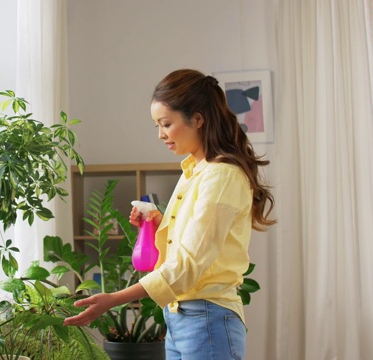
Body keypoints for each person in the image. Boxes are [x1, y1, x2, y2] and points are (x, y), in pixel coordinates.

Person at [63, 69, 276, 360]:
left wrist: (114, 300)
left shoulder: (221, 176)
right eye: (157, 125)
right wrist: (158, 223)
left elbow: (189, 265)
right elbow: (189, 243)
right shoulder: (193, 172)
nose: (161, 134)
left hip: (207, 319)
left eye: (166, 124)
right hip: (180, 317)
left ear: (197, 119)